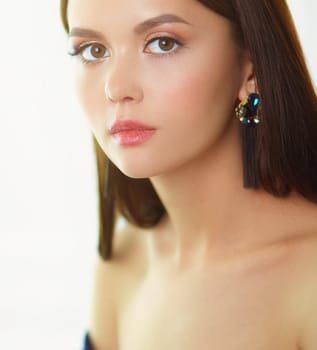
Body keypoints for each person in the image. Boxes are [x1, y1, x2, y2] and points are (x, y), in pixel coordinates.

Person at [60, 0, 317, 349]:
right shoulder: (124, 261)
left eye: (162, 43)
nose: (116, 88)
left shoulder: (308, 280)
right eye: (92, 50)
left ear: (250, 66)